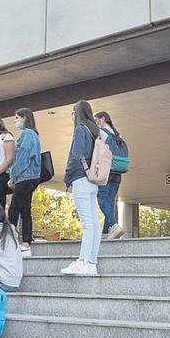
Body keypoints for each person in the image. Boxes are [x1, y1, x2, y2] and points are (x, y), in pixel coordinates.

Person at [61, 100, 101, 275]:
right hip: (93, 180)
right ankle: (91, 263)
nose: (72, 115)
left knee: (87, 223)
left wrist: (67, 176)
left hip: (80, 177)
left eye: (73, 111)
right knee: (93, 222)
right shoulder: (94, 130)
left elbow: (75, 155)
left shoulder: (80, 130)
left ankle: (82, 261)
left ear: (77, 113)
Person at [6, 108, 41, 255]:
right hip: (30, 176)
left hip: (25, 176)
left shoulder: (27, 134)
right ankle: (26, 243)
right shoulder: (33, 134)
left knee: (14, 209)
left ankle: (10, 242)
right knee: (25, 209)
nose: (15, 121)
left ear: (24, 118)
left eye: (17, 118)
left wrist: (12, 175)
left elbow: (23, 156)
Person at [95, 111, 125, 240]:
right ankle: (107, 232)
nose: (95, 123)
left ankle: (113, 225)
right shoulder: (119, 136)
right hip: (118, 171)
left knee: (101, 198)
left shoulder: (102, 132)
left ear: (102, 119)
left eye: (96, 120)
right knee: (109, 201)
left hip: (107, 170)